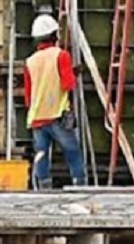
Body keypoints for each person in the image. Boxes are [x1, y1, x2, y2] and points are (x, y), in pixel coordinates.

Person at [23, 13, 87, 189]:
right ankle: (79, 184)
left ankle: (44, 187)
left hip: (37, 116)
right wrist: (74, 73)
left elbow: (28, 95)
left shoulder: (29, 62)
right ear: (54, 35)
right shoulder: (61, 55)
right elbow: (68, 84)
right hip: (57, 114)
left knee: (41, 154)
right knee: (72, 151)